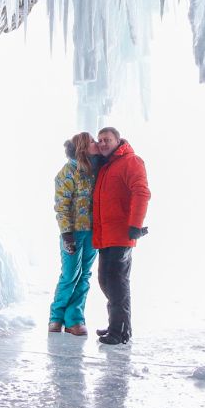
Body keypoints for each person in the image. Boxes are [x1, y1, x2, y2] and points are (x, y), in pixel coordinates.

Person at [92, 126, 150, 345]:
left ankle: (120, 331)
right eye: (100, 140)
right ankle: (116, 324)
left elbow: (141, 192)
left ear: (118, 141)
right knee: (105, 281)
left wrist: (135, 224)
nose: (102, 143)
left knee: (117, 282)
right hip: (106, 235)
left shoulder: (131, 161)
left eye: (107, 139)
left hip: (121, 234)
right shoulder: (106, 166)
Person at [49, 132, 99, 336]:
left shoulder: (94, 171)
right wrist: (67, 234)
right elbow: (61, 206)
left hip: (92, 232)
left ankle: (74, 319)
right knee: (70, 274)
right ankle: (55, 317)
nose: (96, 143)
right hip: (73, 233)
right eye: (92, 142)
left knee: (84, 275)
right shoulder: (67, 172)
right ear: (83, 147)